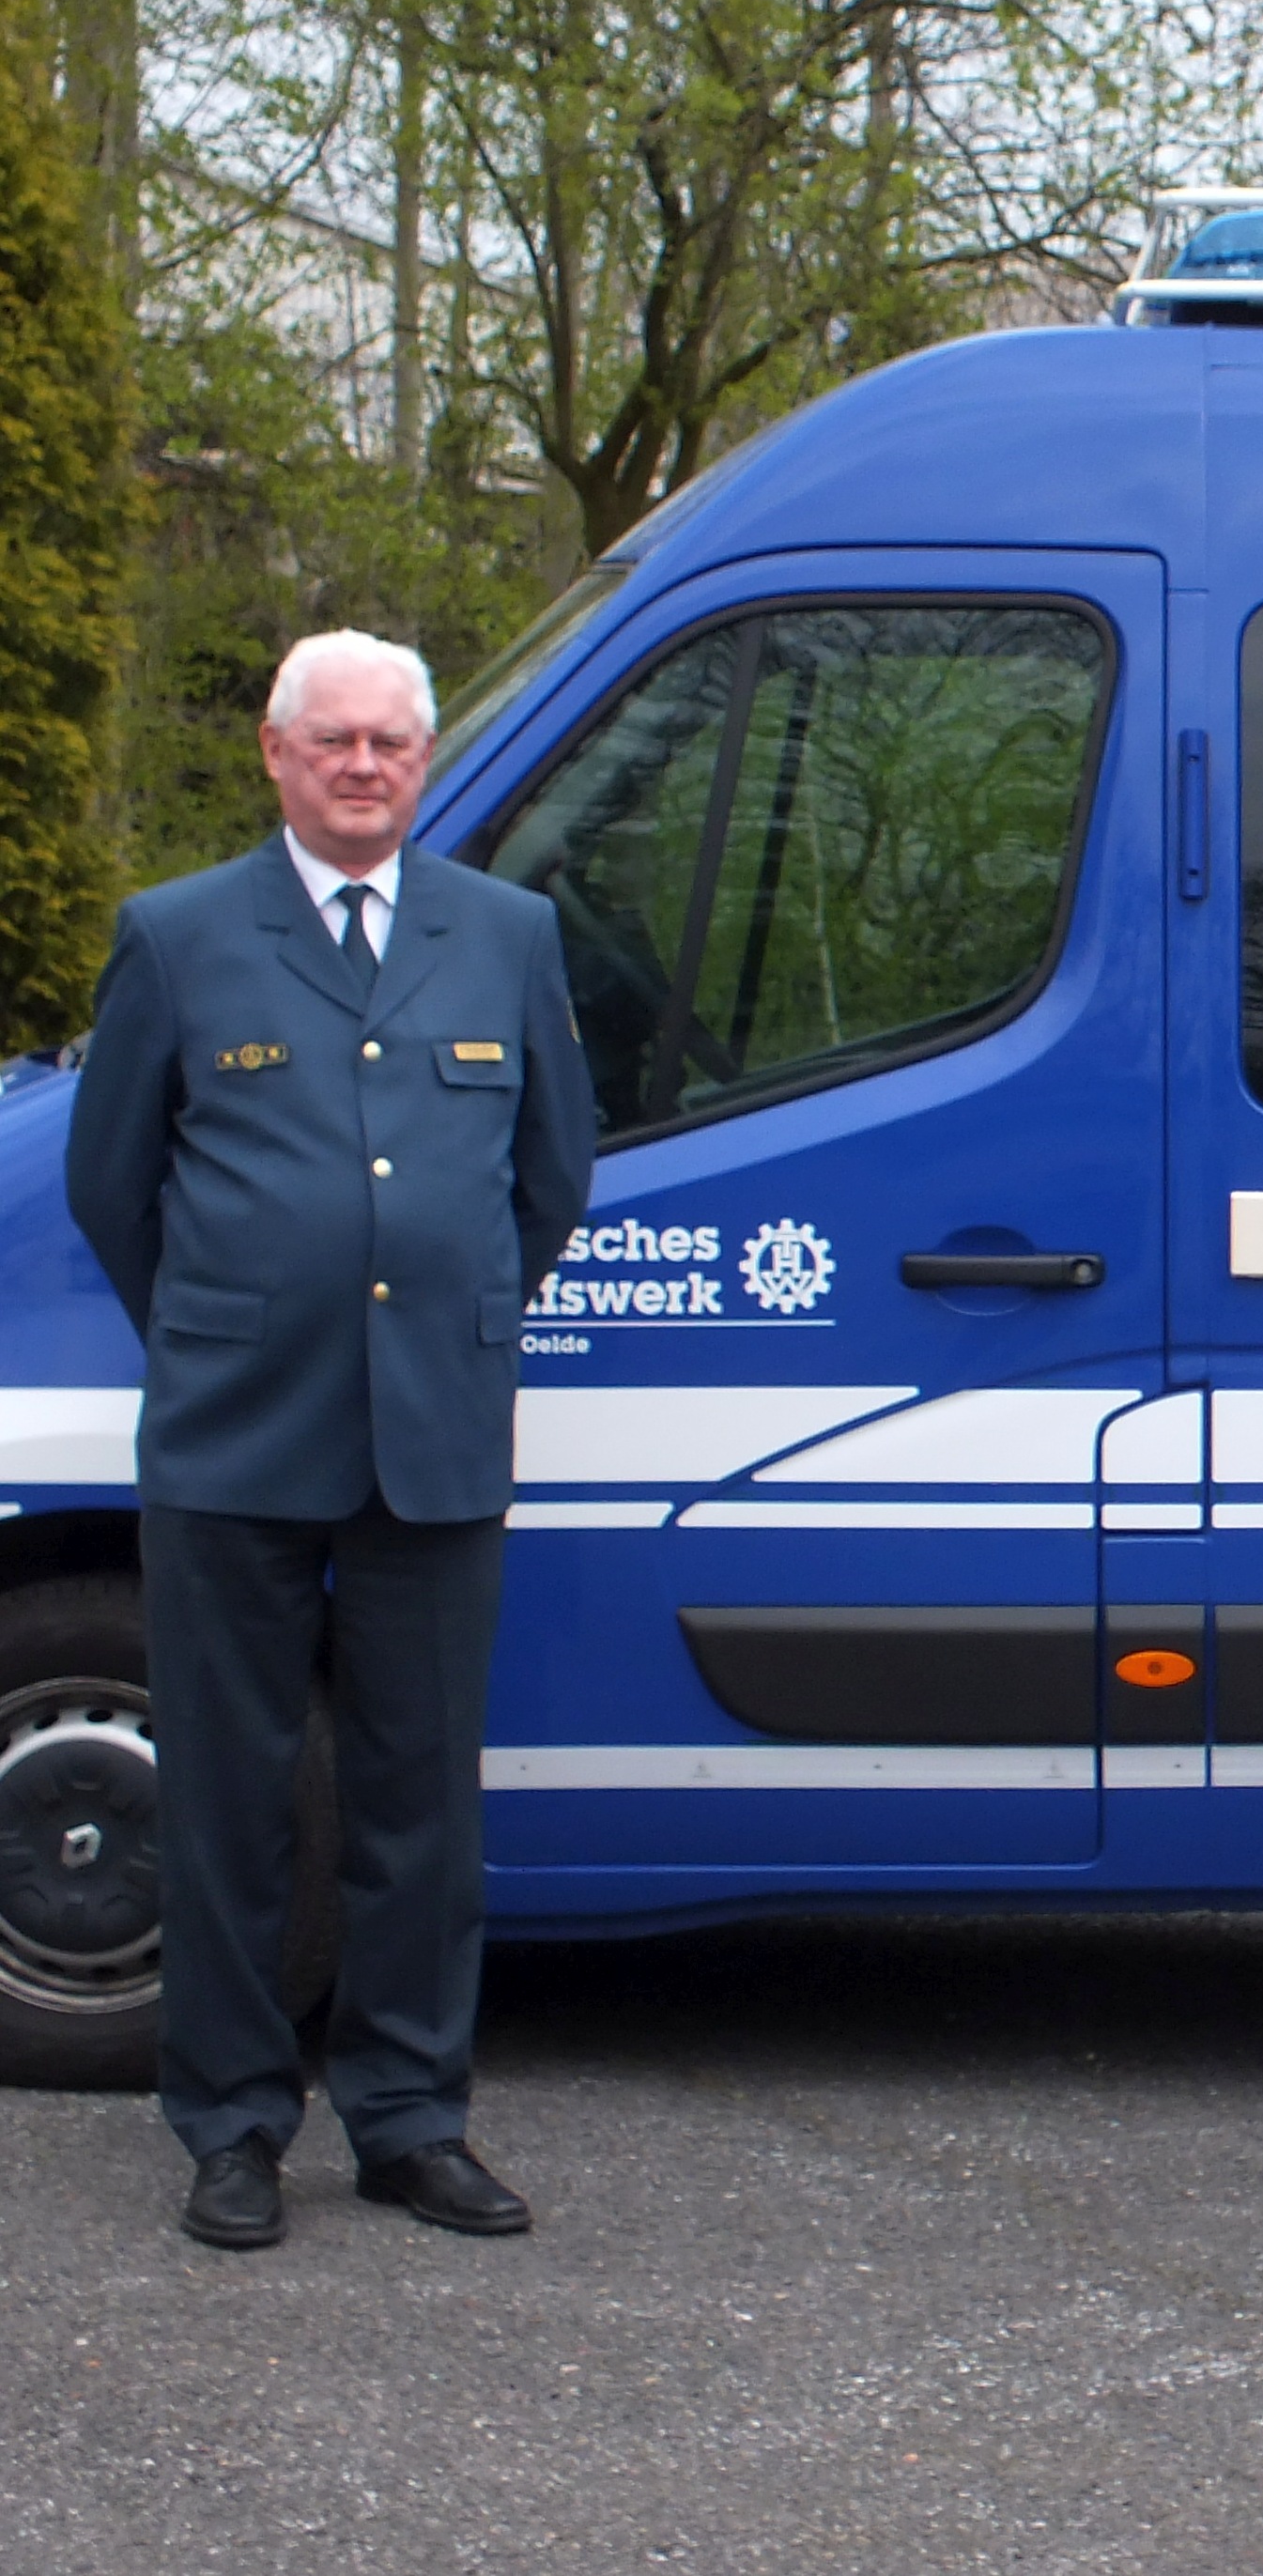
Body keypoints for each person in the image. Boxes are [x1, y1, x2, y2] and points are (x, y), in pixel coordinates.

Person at [67, 629, 598, 2250]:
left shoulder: (506, 936)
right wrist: (239, 1324)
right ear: (275, 754)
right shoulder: (175, 937)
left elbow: (548, 1178)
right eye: (335, 741)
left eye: (390, 743)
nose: (363, 766)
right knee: (227, 1801)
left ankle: (409, 2119)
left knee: (420, 1805)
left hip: (431, 1435)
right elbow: (114, 1187)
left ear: (422, 764)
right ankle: (230, 2126)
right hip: (236, 1439)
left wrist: (434, 1319)